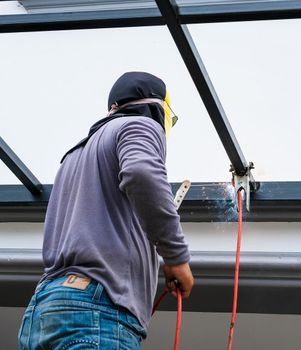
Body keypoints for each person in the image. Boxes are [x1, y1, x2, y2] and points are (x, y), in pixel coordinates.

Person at [18, 72, 194, 350]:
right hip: (97, 304)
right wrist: (175, 256)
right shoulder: (140, 125)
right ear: (158, 108)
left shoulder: (74, 155)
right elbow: (141, 173)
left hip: (44, 309)